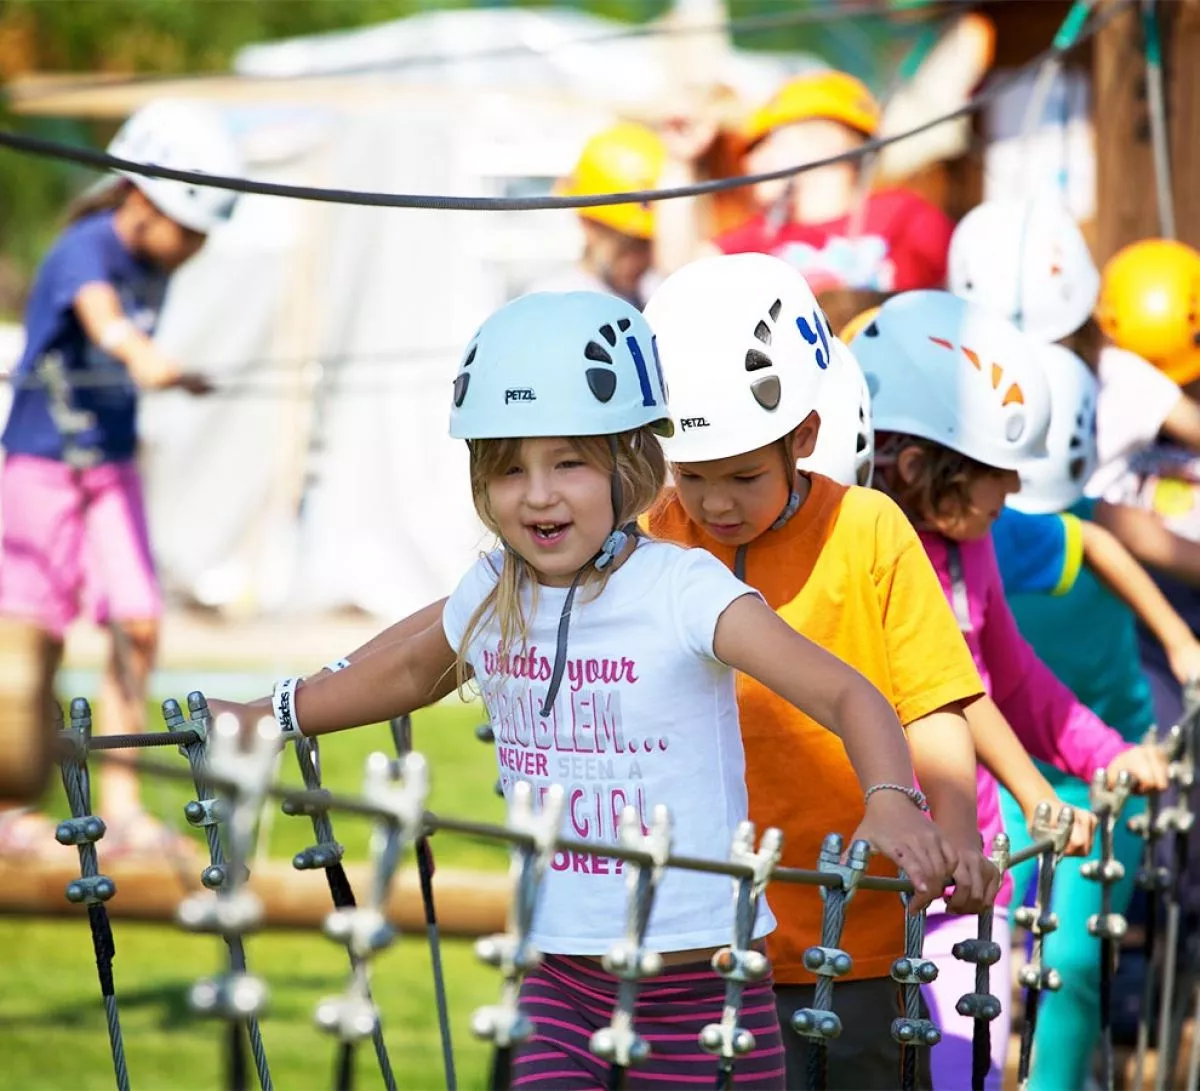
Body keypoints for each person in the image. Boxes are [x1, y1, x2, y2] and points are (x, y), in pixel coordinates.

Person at [209, 289, 965, 1089]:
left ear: (628, 465)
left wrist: (888, 795)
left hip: (704, 990)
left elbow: (849, 693)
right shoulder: (495, 587)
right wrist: (273, 715)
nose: (538, 493)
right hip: (558, 977)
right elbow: (401, 671)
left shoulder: (682, 588)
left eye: (567, 462)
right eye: (509, 469)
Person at [640, 252, 998, 1090]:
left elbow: (934, 702)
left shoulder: (869, 529)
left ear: (802, 436)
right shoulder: (655, 537)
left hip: (859, 928)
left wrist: (955, 828)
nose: (715, 502)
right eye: (693, 475)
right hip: (702, 931)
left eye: (741, 475)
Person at [851, 290, 1171, 1089]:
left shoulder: (973, 546)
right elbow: (946, 698)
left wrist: (1105, 753)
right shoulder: (863, 551)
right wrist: (1037, 789)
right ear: (921, 468)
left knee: (968, 1070)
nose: (1017, 485)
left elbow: (1012, 678)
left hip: (967, 867)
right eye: (998, 469)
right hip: (865, 873)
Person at [0, 99, 241, 858]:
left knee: (137, 621)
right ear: (144, 197)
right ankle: (9, 811)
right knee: (27, 643)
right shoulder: (87, 245)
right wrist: (145, 360)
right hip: (39, 465)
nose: (198, 247)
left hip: (109, 464)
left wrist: (179, 377)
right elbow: (102, 321)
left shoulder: (153, 261)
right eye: (191, 228)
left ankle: (125, 806)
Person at [986, 340, 1200, 1091]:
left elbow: (1112, 545)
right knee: (986, 954)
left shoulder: (1085, 515)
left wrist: (1179, 639)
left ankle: (1058, 1083)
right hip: (996, 772)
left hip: (1098, 769)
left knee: (1072, 958)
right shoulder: (969, 526)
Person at [713, 71, 954, 293]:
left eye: (767, 142)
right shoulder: (758, 238)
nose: (750, 163)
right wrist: (681, 165)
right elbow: (685, 273)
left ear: (827, 139)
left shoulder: (904, 216)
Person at [531, 121, 666, 308]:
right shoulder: (552, 308)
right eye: (633, 245)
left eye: (650, 244)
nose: (644, 259)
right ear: (589, 225)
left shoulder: (654, 296)